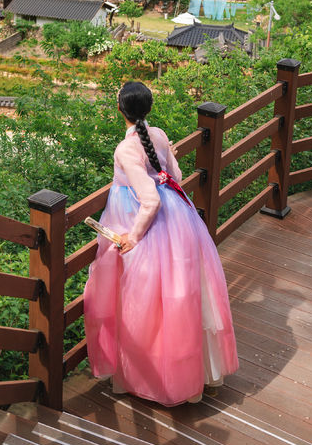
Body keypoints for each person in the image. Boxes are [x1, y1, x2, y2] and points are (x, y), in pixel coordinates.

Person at [84, 81, 238, 406]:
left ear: (120, 110)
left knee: (143, 301)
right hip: (178, 219)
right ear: (148, 108)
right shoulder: (158, 134)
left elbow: (150, 200)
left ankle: (153, 378)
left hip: (143, 223)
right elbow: (174, 176)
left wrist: (133, 236)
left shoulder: (125, 149)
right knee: (182, 295)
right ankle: (199, 374)